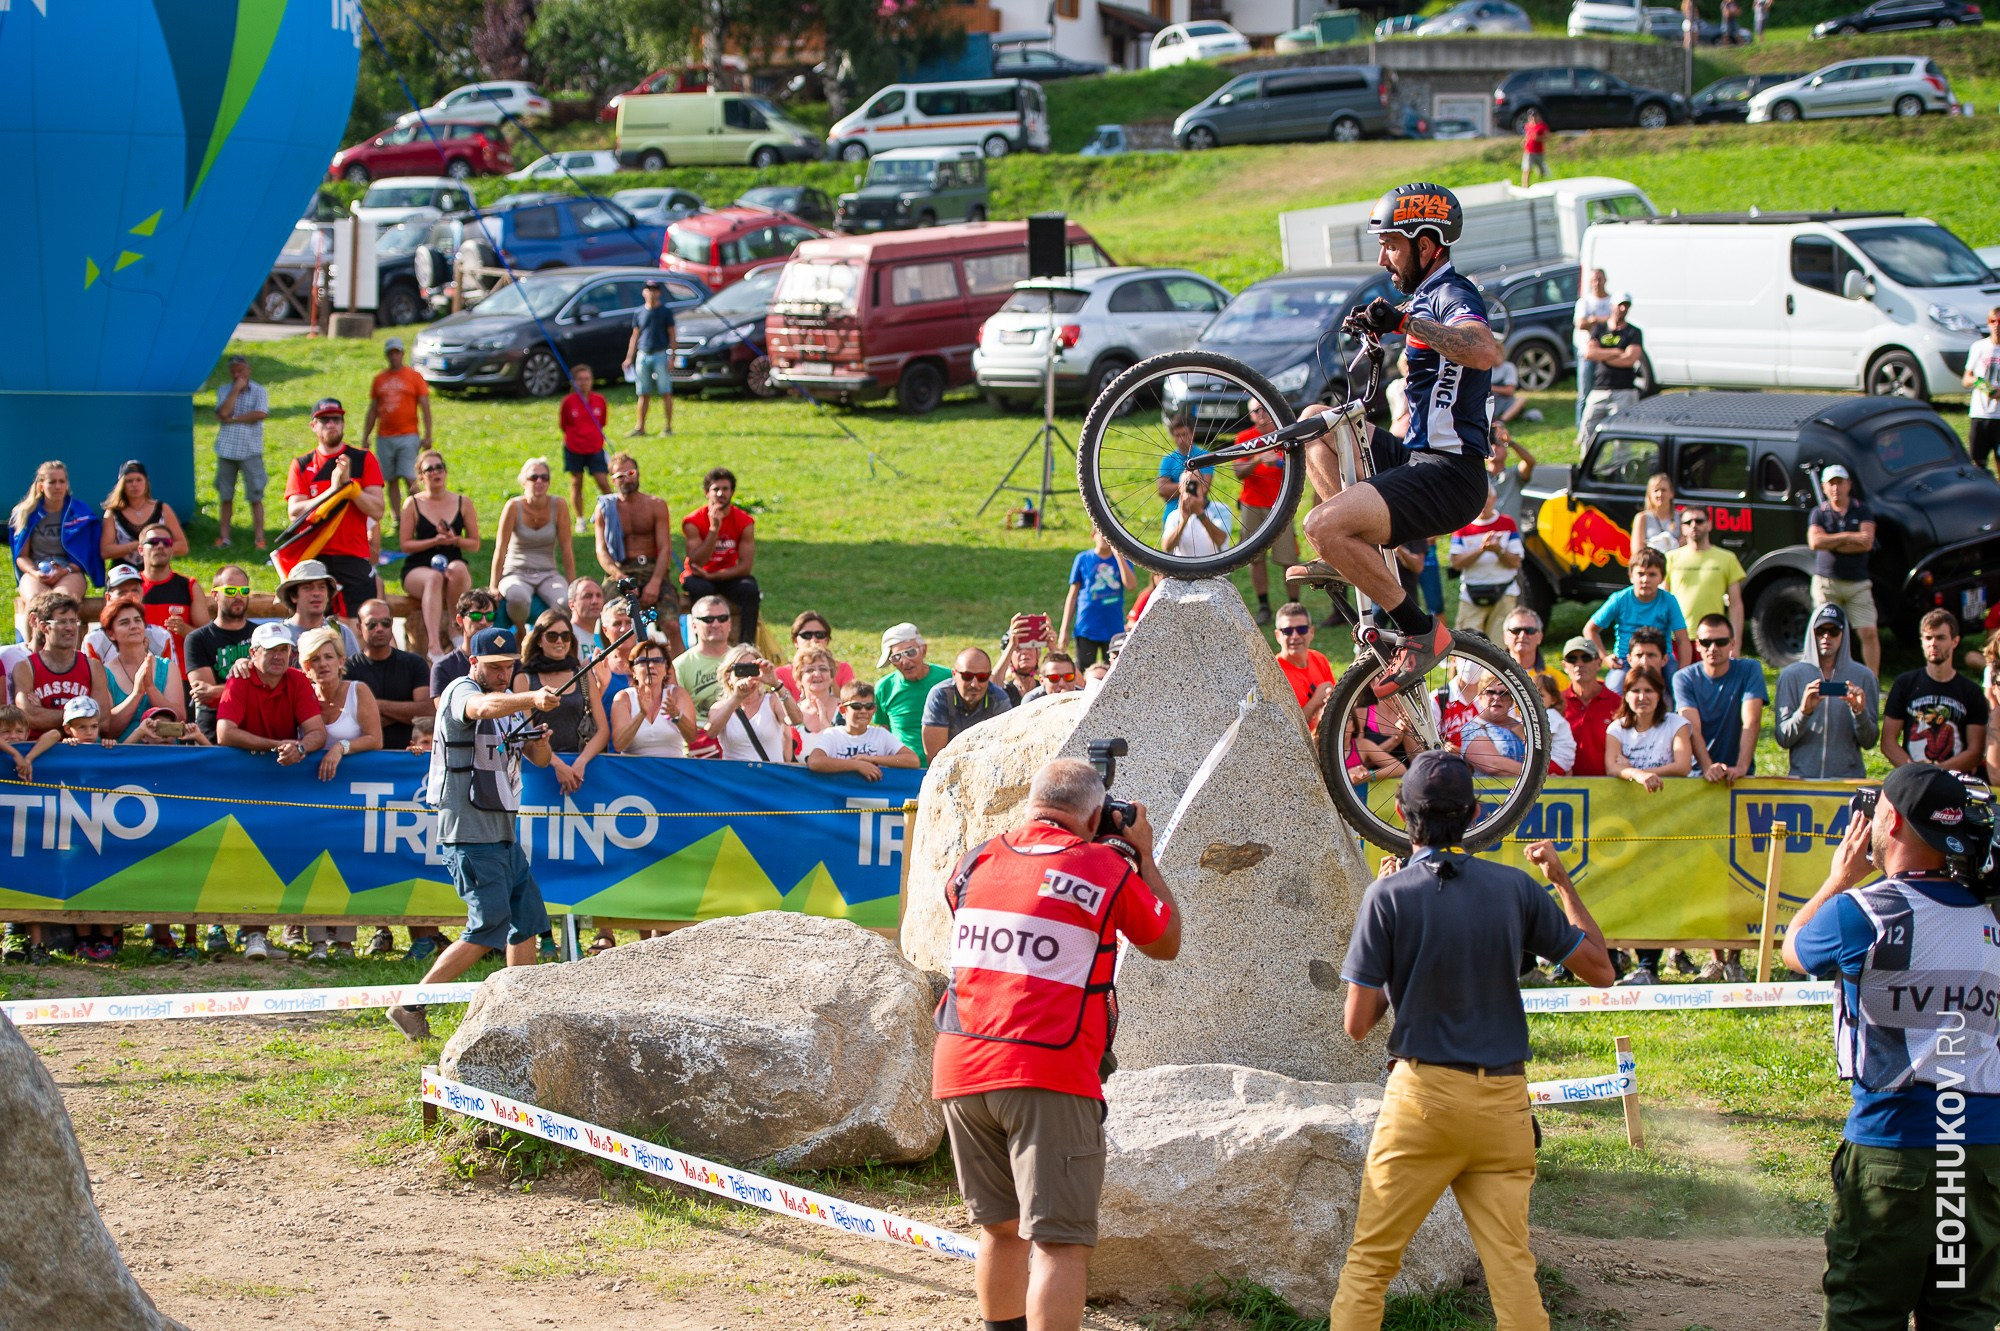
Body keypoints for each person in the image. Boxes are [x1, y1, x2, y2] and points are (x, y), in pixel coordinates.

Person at [1332, 753, 1615, 1329]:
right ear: (1477, 814)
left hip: (1421, 1101)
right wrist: (1561, 881)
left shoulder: (1388, 896)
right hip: (1504, 1103)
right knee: (1512, 1269)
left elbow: (1357, 1024)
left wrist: (1391, 945)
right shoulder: (1515, 888)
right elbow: (1601, 971)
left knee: (1370, 1265)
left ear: (1402, 815)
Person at [933, 757, 1180, 1331]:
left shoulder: (975, 860)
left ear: (1032, 803)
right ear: (1096, 815)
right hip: (1047, 1069)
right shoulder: (1102, 868)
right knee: (1060, 1244)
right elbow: (1165, 940)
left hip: (961, 1064)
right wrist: (1144, 857)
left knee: (1001, 1230)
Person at [1781, 764, 2000, 1331]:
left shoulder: (1862, 912)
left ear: (1892, 820)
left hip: (1893, 1146)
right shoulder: (1991, 916)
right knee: (1965, 1315)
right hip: (1982, 1151)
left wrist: (1839, 879)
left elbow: (1794, 949)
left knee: (1865, 1312)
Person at [1287, 182, 1502, 696]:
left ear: (1425, 246)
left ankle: (1420, 631)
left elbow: (1482, 350)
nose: (1383, 259)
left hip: (1450, 475)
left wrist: (1405, 322)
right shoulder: (1426, 297)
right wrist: (1382, 327)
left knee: (1320, 526)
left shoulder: (1452, 293)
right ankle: (1350, 548)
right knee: (1317, 421)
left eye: (1390, 245)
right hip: (1417, 457)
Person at [386, 628, 560, 1041]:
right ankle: (410, 1005)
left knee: (527, 920)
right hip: (469, 832)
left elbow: (540, 759)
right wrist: (531, 699)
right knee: (488, 925)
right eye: (495, 667)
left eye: (508, 667)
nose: (502, 674)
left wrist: (539, 739)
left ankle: (519, 1014)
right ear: (474, 662)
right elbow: (481, 708)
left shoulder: (510, 702)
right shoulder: (460, 691)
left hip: (504, 832)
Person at [284, 398, 387, 624]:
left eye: (336, 419)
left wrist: (350, 488)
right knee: (314, 627)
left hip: (353, 555)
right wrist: (333, 491)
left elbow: (378, 510)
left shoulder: (363, 458)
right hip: (315, 555)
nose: (331, 424)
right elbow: (295, 512)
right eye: (324, 420)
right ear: (313, 425)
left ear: (343, 423)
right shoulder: (302, 464)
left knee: (360, 627)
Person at [1776, 603, 1880, 781]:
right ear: (1811, 632)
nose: (1826, 636)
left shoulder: (1864, 677)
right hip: (1803, 781)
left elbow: (1869, 742)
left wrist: (1859, 712)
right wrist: (1803, 712)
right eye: (1820, 630)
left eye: (1834, 631)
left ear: (1844, 634)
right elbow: (1783, 738)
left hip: (1847, 783)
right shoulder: (1791, 676)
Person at [514, 609, 608, 794]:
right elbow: (526, 732)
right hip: (539, 769)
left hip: (581, 771)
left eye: (565, 636)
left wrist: (580, 763)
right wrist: (558, 765)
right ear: (539, 640)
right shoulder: (524, 678)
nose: (559, 641)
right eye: (552, 636)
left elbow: (603, 730)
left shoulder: (583, 674)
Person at [1882, 609, 1988, 773]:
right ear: (1921, 641)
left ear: (1955, 641)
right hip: (1912, 778)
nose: (1933, 643)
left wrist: (1937, 773)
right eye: (1928, 638)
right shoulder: (1905, 684)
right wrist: (1914, 772)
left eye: (1940, 638)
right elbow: (1888, 742)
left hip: (1955, 781)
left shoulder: (1971, 691)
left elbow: (1975, 752)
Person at [398, 449, 479, 663]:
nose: (435, 472)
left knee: (457, 569)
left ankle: (455, 628)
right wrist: (434, 541)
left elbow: (474, 544)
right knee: (434, 578)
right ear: (421, 476)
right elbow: (405, 545)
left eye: (439, 467)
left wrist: (455, 540)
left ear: (445, 471)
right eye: (429, 469)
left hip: (452, 564)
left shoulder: (463, 502)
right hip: (419, 566)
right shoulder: (413, 503)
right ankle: (433, 646)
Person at [1231, 401, 1304, 623]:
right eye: (1256, 411)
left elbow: (1301, 465)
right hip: (1252, 503)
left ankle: (1294, 607)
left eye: (1264, 408)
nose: (1262, 414)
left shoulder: (1285, 435)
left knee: (1288, 558)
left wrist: (1279, 463)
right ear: (1251, 415)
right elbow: (1238, 472)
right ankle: (1264, 606)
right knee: (1255, 558)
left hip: (1281, 504)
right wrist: (1257, 460)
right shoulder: (1244, 437)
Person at [1675, 614, 1767, 784]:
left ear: (1732, 644)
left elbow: (1752, 721)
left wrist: (1741, 767)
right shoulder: (1683, 678)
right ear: (1697, 645)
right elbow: (1691, 727)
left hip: (1740, 775)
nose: (1713, 648)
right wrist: (1707, 767)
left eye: (1721, 642)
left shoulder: (1750, 669)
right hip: (1698, 776)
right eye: (1706, 642)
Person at [1809, 464, 1881, 677]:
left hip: (1857, 584)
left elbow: (1866, 542)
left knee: (1868, 632)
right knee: (1825, 633)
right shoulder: (1818, 513)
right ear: (1824, 487)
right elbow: (1815, 542)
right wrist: (1850, 536)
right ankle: (1825, 678)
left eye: (1840, 483)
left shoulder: (1862, 510)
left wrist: (1831, 542)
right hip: (1826, 583)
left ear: (1849, 484)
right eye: (1831, 484)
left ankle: (1872, 681)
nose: (1836, 488)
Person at [11, 592, 111, 738]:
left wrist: (44, 713)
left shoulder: (93, 667)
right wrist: (84, 716)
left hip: (81, 749)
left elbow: (103, 721)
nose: (70, 628)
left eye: (73, 621)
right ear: (43, 627)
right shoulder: (25, 668)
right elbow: (28, 717)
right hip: (40, 749)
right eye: (62, 622)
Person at [491, 457, 575, 632]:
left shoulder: (559, 505)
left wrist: (573, 585)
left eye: (544, 477)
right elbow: (501, 547)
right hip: (516, 572)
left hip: (548, 572)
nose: (539, 482)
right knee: (518, 598)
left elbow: (567, 548)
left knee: (564, 602)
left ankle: (549, 635)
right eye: (533, 477)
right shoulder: (513, 507)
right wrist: (493, 585)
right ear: (523, 481)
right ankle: (521, 632)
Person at [1584, 548, 1689, 687]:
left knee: (1680, 687)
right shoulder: (1620, 599)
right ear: (1631, 576)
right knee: (1614, 690)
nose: (1645, 580)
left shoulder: (1669, 601)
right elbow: (1590, 630)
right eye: (1640, 574)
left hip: (1661, 659)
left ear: (1662, 578)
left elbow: (1683, 640)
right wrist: (1605, 658)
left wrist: (1682, 671)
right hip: (1626, 659)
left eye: (1652, 574)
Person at [594, 452, 677, 626]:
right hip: (621, 571)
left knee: (672, 624)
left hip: (652, 569)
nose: (626, 479)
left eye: (630, 473)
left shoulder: (656, 505)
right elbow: (601, 551)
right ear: (612, 480)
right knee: (609, 621)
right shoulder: (605, 509)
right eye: (620, 476)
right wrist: (620, 577)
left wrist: (655, 582)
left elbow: (665, 548)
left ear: (638, 473)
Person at [360, 337, 432, 538]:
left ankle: (421, 518)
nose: (394, 356)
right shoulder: (379, 379)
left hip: (408, 434)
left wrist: (428, 434)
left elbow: (425, 406)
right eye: (390, 353)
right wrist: (366, 436)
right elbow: (373, 409)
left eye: (397, 352)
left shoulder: (414, 377)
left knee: (410, 476)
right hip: (384, 436)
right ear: (387, 355)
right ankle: (397, 518)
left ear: (402, 353)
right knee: (390, 479)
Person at [681, 467, 759, 643]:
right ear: (706, 492)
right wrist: (713, 529)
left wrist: (714, 576)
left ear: (732, 492)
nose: (720, 493)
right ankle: (701, 641)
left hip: (727, 575)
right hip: (699, 574)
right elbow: (697, 561)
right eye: (715, 489)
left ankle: (747, 644)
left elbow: (745, 566)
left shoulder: (744, 521)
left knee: (750, 589)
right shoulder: (693, 521)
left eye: (725, 489)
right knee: (701, 589)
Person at [345, 598, 432, 753]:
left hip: (407, 754)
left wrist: (375, 705)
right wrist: (404, 713)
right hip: (362, 756)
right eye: (371, 624)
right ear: (359, 627)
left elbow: (426, 711)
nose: (379, 628)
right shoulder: (348, 668)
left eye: (385, 623)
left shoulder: (414, 663)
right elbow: (350, 720)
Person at [183, 568, 258, 743]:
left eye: (244, 590)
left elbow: (271, 685)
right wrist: (253, 689)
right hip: (212, 726)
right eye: (230, 590)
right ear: (215, 595)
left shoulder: (260, 634)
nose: (238, 596)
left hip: (255, 724)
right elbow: (205, 696)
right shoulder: (197, 639)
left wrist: (217, 690)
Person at [11, 460, 99, 604]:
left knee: (61, 603)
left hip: (69, 572)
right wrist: (35, 573)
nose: (57, 486)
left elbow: (86, 556)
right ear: (41, 486)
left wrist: (64, 571)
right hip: (36, 571)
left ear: (67, 484)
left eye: (61, 481)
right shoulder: (26, 513)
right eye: (52, 482)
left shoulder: (79, 513)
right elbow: (21, 556)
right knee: (37, 603)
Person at [97, 596, 183, 744]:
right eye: (125, 623)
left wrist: (151, 688)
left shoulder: (167, 667)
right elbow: (107, 730)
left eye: (137, 620)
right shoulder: (104, 673)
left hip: (164, 751)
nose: (133, 626)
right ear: (111, 633)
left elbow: (180, 720)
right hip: (124, 753)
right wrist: (136, 694)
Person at [129, 521, 208, 673]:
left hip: (180, 674)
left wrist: (186, 631)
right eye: (153, 542)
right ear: (140, 549)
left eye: (166, 543)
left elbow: (207, 639)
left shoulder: (189, 586)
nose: (160, 546)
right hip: (136, 673)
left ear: (172, 549)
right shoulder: (130, 586)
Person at [802, 680, 919, 781]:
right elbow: (814, 762)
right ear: (843, 710)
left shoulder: (880, 734)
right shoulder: (833, 734)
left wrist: (871, 759)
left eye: (869, 706)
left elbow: (913, 760)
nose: (863, 711)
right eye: (856, 706)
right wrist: (857, 765)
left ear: (874, 710)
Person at [1664, 507, 1745, 648]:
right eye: (1688, 522)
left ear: (1709, 525)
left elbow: (1735, 605)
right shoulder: (1670, 558)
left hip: (1713, 639)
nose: (1694, 525)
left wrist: (1736, 643)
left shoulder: (1728, 558)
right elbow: (1662, 602)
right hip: (1677, 638)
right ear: (1682, 528)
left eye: (1699, 521)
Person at [1449, 486, 1523, 641]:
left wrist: (1498, 550)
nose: (1483, 501)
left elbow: (1516, 562)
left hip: (1504, 591)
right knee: (1466, 643)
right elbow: (1456, 563)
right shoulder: (1463, 527)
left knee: (1500, 645)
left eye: (1487, 496)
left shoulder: (1507, 523)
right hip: (1471, 593)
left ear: (1494, 499)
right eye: (1479, 496)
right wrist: (1481, 549)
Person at [707, 643, 803, 763]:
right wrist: (737, 698)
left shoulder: (772, 701)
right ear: (728, 676)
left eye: (752, 669)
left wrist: (776, 684)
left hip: (768, 773)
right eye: (741, 670)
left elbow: (796, 719)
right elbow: (711, 733)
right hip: (735, 774)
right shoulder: (721, 707)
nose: (747, 676)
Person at [1604, 665, 1692, 795]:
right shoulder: (1616, 729)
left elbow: (1683, 767)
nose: (1642, 697)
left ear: (1659, 695)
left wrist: (1634, 772)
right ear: (1626, 696)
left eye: (1649, 690)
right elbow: (1612, 768)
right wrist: (1638, 774)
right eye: (1635, 691)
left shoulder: (1677, 723)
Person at [213, 354, 271, 549]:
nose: (237, 374)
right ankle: (224, 537)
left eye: (240, 370)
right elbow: (223, 412)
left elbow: (260, 413)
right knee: (225, 495)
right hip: (226, 449)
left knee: (255, 495)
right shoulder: (224, 390)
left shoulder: (259, 391)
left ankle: (259, 537)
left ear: (248, 370)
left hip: (251, 450)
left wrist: (235, 419)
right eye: (234, 371)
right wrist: (236, 390)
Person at [1059, 530, 1136, 668]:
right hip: (1087, 627)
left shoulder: (1121, 559)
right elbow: (1072, 595)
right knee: (1084, 670)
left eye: (1109, 535)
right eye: (1102, 533)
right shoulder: (1083, 558)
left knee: (1114, 670)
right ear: (1093, 535)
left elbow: (1131, 585)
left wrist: (1119, 557)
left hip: (1113, 628)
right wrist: (1064, 630)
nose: (1105, 538)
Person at [611, 638, 699, 758]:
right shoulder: (624, 698)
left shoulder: (678, 694)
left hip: (671, 767)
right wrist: (641, 714)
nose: (651, 666)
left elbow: (692, 737)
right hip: (633, 768)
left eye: (657, 661)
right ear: (633, 671)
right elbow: (619, 745)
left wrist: (677, 715)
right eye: (643, 661)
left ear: (666, 669)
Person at [876, 623, 952, 761]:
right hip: (905, 767)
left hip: (946, 764)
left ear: (923, 650)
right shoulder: (884, 688)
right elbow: (884, 732)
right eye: (896, 657)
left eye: (910, 653)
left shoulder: (948, 678)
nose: (905, 661)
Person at [922, 647, 1013, 761]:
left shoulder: (999, 699)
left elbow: (1005, 750)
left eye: (982, 677)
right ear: (954, 674)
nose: (974, 684)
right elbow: (935, 758)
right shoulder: (940, 696)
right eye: (967, 676)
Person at [1576, 294, 1643, 446]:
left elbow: (1629, 360)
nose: (1623, 308)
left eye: (1626, 305)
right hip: (1599, 389)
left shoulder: (1633, 332)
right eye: (1620, 305)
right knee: (1588, 427)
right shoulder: (1600, 329)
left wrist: (1602, 355)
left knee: (1621, 434)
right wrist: (1617, 352)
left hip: (1624, 390)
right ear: (1612, 306)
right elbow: (1589, 353)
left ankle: (1620, 461)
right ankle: (1587, 459)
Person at [100, 459, 188, 571]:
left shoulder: (162, 509)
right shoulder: (113, 513)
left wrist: (156, 548)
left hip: (156, 570)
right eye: (129, 481)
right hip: (124, 571)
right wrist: (136, 546)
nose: (134, 485)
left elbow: (182, 546)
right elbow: (105, 551)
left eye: (139, 480)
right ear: (121, 485)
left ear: (146, 482)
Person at [559, 363, 612, 530]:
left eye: (587, 379)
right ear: (573, 382)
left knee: (603, 481)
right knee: (577, 483)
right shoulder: (568, 402)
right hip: (574, 448)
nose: (584, 383)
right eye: (580, 379)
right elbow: (564, 424)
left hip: (595, 447)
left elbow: (602, 422)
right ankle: (580, 519)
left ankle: (613, 513)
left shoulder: (599, 400)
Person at [1560, 636, 1621, 777]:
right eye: (1572, 659)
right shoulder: (1555, 703)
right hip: (1565, 785)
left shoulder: (1618, 704)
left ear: (1599, 663)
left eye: (1586, 658)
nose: (1579, 664)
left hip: (1610, 784)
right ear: (1564, 666)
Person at [623, 279, 677, 437]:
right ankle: (640, 427)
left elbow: (672, 335)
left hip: (660, 354)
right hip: (643, 354)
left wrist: (672, 357)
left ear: (659, 292)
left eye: (654, 289)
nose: (651, 292)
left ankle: (668, 427)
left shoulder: (665, 312)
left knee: (665, 392)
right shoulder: (639, 312)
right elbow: (635, 336)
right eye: (648, 289)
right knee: (643, 393)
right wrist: (629, 357)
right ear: (643, 292)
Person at [277, 559, 361, 657]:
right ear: (293, 596)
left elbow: (355, 666)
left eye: (322, 587)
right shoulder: (280, 634)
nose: (316, 593)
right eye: (307, 588)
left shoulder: (342, 632)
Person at [1274, 601, 1336, 733]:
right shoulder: (1274, 673)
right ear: (1278, 636)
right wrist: (1315, 702)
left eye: (1301, 629)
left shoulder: (1319, 659)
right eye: (1288, 631)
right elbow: (1285, 732)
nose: (1295, 636)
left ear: (1311, 632)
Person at [674, 594, 736, 725]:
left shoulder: (741, 659)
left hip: (738, 731)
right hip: (699, 733)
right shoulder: (680, 665)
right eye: (708, 619)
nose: (716, 624)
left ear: (729, 624)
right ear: (694, 626)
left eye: (722, 618)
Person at [431, 588, 502, 697]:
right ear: (460, 620)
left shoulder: (507, 663)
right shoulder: (443, 667)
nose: (483, 622)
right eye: (476, 616)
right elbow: (442, 707)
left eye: (490, 616)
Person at [1460, 674, 1531, 777]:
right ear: (1480, 697)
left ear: (1512, 700)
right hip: (1490, 787)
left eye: (1504, 694)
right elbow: (1492, 764)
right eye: (1490, 692)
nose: (1497, 698)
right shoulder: (1472, 728)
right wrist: (1536, 772)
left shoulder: (1524, 727)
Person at [776, 611, 855, 697]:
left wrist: (829, 675)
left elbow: (849, 701)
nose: (813, 640)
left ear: (827, 640)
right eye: (806, 635)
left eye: (820, 635)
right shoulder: (781, 673)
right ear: (795, 641)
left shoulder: (843, 669)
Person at [1572, 268, 1613, 429]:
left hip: (1606, 353)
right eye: (1593, 280)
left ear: (1605, 280)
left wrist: (1593, 319)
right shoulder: (1585, 302)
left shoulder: (1611, 301)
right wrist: (1600, 319)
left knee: (1608, 391)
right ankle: (1581, 429)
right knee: (1585, 391)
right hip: (1587, 353)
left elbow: (1616, 322)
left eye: (1599, 279)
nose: (1597, 283)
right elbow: (1580, 324)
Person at [1161, 469, 1232, 560]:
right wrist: (1183, 521)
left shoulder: (1220, 509)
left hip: (1214, 567)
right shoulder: (1174, 515)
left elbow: (1221, 540)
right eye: (1187, 485)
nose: (1191, 488)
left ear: (1203, 486)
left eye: (1194, 484)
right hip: (1185, 568)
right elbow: (1167, 548)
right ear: (1180, 489)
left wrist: (1200, 513)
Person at [1963, 307, 2000, 477]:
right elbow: (1966, 379)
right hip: (1980, 414)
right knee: (1977, 463)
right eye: (1993, 321)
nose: (1996, 325)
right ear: (1988, 323)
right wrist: (1981, 384)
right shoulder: (1979, 347)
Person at [789, 645, 842, 733]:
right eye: (810, 670)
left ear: (831, 675)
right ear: (799, 677)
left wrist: (825, 723)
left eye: (823, 669)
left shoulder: (846, 711)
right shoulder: (792, 714)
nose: (817, 674)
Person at [1485, 424, 1534, 519]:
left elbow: (1530, 462)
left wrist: (1510, 443)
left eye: (1499, 444)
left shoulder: (1514, 475)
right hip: (1484, 527)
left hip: (1510, 528)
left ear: (1507, 452)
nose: (1494, 448)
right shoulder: (1479, 477)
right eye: (1490, 444)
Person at [1629, 472, 1677, 563]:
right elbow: (1637, 551)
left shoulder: (1680, 517)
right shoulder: (1642, 518)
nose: (1660, 494)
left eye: (1664, 490)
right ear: (1649, 495)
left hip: (1675, 565)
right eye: (1656, 490)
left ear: (1671, 493)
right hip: (1651, 566)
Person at [1625, 627, 1676, 709]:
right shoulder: (1616, 694)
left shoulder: (1678, 693)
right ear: (1629, 659)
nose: (1644, 661)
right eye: (1639, 655)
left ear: (1664, 660)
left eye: (1651, 655)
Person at [1501, 607, 1547, 681]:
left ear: (1540, 637)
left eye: (1530, 630)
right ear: (1505, 637)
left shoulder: (1557, 679)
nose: (1522, 635)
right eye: (1516, 630)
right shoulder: (1490, 675)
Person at [569, 576, 606, 661]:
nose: (595, 601)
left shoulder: (606, 637)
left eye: (598, 595)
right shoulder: (566, 636)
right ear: (572, 605)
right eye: (587, 596)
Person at [1518, 107, 1549, 188]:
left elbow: (1547, 137)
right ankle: (1525, 186)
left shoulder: (1542, 126)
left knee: (1541, 169)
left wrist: (1538, 138)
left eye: (1535, 116)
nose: (1533, 118)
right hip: (1529, 151)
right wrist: (1524, 141)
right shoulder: (1528, 126)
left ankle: (1541, 184)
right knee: (1527, 169)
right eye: (1531, 117)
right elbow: (1528, 135)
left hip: (1539, 151)